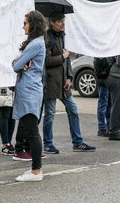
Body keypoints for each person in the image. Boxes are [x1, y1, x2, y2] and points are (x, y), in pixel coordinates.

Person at [41, 12, 96, 154]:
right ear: (52, 22)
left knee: (73, 110)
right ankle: (48, 144)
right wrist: (62, 57)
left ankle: (77, 142)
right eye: (60, 21)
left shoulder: (62, 36)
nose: (63, 23)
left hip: (64, 83)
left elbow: (67, 61)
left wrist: (70, 78)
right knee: (50, 114)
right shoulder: (47, 38)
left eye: (63, 20)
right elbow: (46, 61)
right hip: (52, 82)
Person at [11, 10, 47, 182]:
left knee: (32, 131)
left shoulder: (35, 44)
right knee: (30, 130)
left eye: (25, 23)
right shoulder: (37, 42)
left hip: (29, 91)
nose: (23, 26)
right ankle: (35, 169)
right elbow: (19, 64)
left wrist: (18, 62)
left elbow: (16, 64)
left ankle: (36, 171)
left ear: (33, 24)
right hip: (31, 89)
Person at [0, 87, 16, 155]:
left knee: (12, 116)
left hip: (12, 87)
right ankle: (5, 143)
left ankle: (8, 142)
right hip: (3, 86)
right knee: (5, 114)